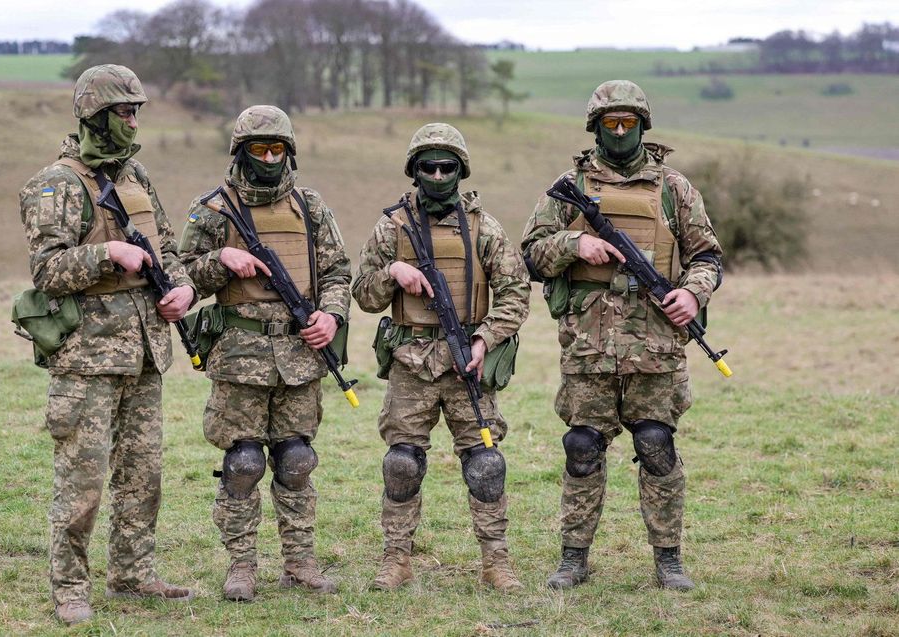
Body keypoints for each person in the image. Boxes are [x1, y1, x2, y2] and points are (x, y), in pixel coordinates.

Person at [521, 80, 724, 591]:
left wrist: (693, 295)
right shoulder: (569, 186)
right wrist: (575, 243)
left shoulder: (675, 189)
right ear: (595, 127)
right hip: (588, 346)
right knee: (582, 446)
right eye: (609, 122)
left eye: (627, 122)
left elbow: (707, 257)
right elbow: (531, 254)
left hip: (657, 345)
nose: (618, 130)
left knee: (657, 445)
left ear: (642, 125)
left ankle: (669, 560)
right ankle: (573, 558)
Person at [17, 64, 197, 625]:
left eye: (137, 110)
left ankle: (133, 573)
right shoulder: (56, 184)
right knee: (83, 477)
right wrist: (106, 255)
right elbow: (46, 269)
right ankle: (71, 587)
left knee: (143, 472)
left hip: (145, 350)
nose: (133, 120)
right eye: (124, 111)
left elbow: (168, 247)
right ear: (95, 115)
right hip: (88, 359)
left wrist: (183, 288)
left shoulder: (136, 176)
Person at [178, 105, 351, 603]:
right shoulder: (211, 210)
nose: (271, 158)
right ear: (241, 152)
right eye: (260, 149)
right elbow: (180, 275)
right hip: (239, 356)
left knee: (296, 460)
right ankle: (241, 567)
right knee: (244, 462)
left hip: (300, 356)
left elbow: (339, 272)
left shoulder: (311, 207)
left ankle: (299, 564)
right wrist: (220, 261)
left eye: (278, 149)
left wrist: (331, 316)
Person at [352, 123, 530, 592]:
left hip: (467, 362)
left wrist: (485, 339)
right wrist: (393, 271)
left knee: (486, 464)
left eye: (446, 166)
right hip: (411, 362)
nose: (436, 174)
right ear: (414, 170)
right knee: (402, 463)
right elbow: (364, 296)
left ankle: (496, 562)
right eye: (427, 166)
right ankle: (396, 560)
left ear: (460, 170)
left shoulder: (483, 227)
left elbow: (515, 294)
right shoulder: (391, 228)